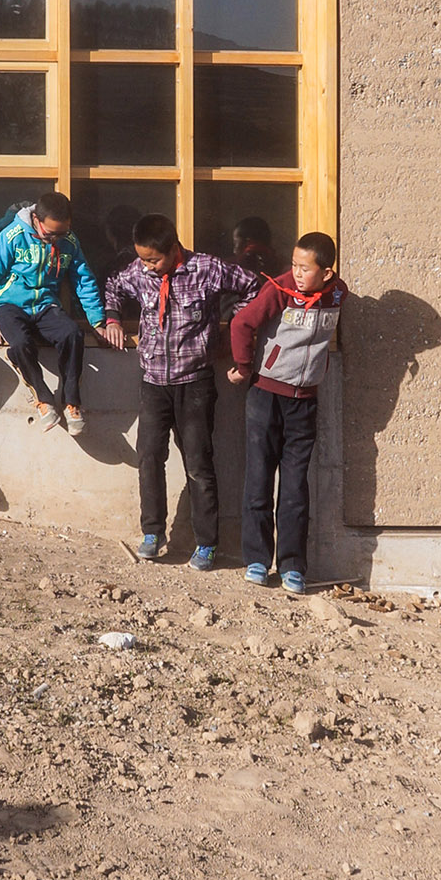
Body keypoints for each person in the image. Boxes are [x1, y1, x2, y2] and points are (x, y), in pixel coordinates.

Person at [105, 212, 262, 570]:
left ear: (173, 248)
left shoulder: (206, 269)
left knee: (198, 463)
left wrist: (231, 329)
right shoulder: (138, 272)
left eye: (153, 259)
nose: (147, 266)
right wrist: (112, 317)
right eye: (142, 258)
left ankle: (206, 542)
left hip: (194, 383)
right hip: (153, 382)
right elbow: (113, 284)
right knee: (148, 456)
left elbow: (252, 287)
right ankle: (152, 532)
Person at [229, 231, 349, 597]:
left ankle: (293, 565)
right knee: (259, 478)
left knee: (296, 486)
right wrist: (243, 365)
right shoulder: (279, 290)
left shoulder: (338, 293)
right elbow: (241, 324)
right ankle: (257, 560)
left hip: (305, 401)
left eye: (305, 268)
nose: (297, 273)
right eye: (294, 265)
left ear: (326, 273)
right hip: (267, 394)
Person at [0, 191, 122, 436]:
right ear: (36, 220)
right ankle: (43, 398)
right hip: (10, 305)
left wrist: (97, 320)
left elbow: (82, 280)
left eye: (62, 233)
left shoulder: (70, 242)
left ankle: (72, 401)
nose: (55, 239)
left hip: (45, 305)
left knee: (72, 334)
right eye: (50, 234)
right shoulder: (12, 236)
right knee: (20, 343)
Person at [231, 214, 280, 282]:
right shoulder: (279, 262)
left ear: (248, 242)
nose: (234, 251)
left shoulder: (240, 264)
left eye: (236, 243)